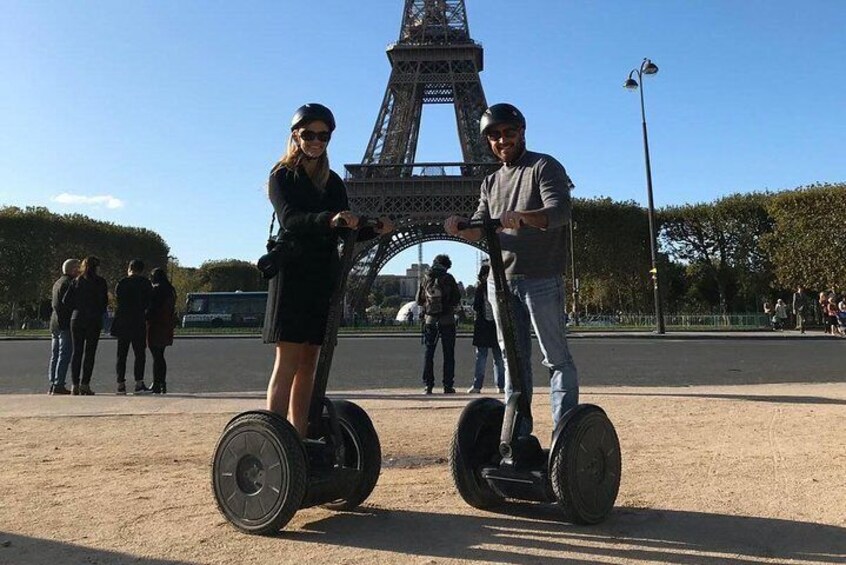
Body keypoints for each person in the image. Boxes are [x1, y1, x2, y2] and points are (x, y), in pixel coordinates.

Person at [445, 102, 578, 435]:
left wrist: (524, 217)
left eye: (508, 133)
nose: (501, 140)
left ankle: (564, 437)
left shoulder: (543, 167)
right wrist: (460, 226)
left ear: (522, 132)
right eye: (494, 135)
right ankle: (517, 434)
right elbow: (479, 227)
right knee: (513, 362)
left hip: (541, 278)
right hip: (500, 283)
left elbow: (560, 211)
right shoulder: (489, 182)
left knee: (555, 359)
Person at [262, 103, 394, 436]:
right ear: (296, 136)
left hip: (322, 276)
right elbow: (290, 219)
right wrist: (329, 218)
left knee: (310, 365)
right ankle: (277, 437)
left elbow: (343, 229)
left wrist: (372, 229)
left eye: (323, 135)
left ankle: (300, 435)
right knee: (288, 362)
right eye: (309, 134)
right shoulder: (281, 176)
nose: (316, 141)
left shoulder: (332, 181)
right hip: (293, 274)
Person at [63, 256, 108, 395]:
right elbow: (104, 302)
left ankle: (74, 384)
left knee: (77, 352)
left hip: (77, 318)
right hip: (93, 319)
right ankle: (85, 384)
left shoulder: (76, 281)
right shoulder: (100, 282)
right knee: (90, 353)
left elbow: (66, 300)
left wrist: (77, 308)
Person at [416, 254, 461, 394]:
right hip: (447, 319)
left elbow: (418, 299)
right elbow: (456, 298)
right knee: (448, 353)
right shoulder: (448, 278)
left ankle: (428, 385)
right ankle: (448, 385)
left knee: (429, 353)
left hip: (430, 320)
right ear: (447, 266)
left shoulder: (426, 277)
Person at [111, 259, 153, 394]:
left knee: (121, 355)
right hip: (138, 320)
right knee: (139, 354)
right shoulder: (145, 283)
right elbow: (148, 303)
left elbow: (118, 299)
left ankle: (120, 385)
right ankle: (139, 383)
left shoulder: (122, 282)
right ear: (142, 270)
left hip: (123, 320)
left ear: (129, 268)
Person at [467, 263, 505, 394]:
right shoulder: (498, 287)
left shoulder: (480, 289)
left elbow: (476, 307)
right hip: (496, 326)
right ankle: (501, 385)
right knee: (499, 358)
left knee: (481, 357)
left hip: (482, 327)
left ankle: (477, 386)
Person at [47, 258, 80, 395]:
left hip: (54, 321)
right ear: (73, 269)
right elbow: (70, 303)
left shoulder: (58, 282)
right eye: (78, 268)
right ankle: (59, 384)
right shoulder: (70, 283)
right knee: (64, 354)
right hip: (65, 322)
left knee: (55, 355)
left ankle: (53, 383)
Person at [146, 268, 177, 393]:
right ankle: (162, 382)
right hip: (166, 324)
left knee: (156, 355)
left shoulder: (155, 289)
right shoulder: (170, 290)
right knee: (160, 355)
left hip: (155, 324)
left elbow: (151, 308)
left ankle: (156, 383)